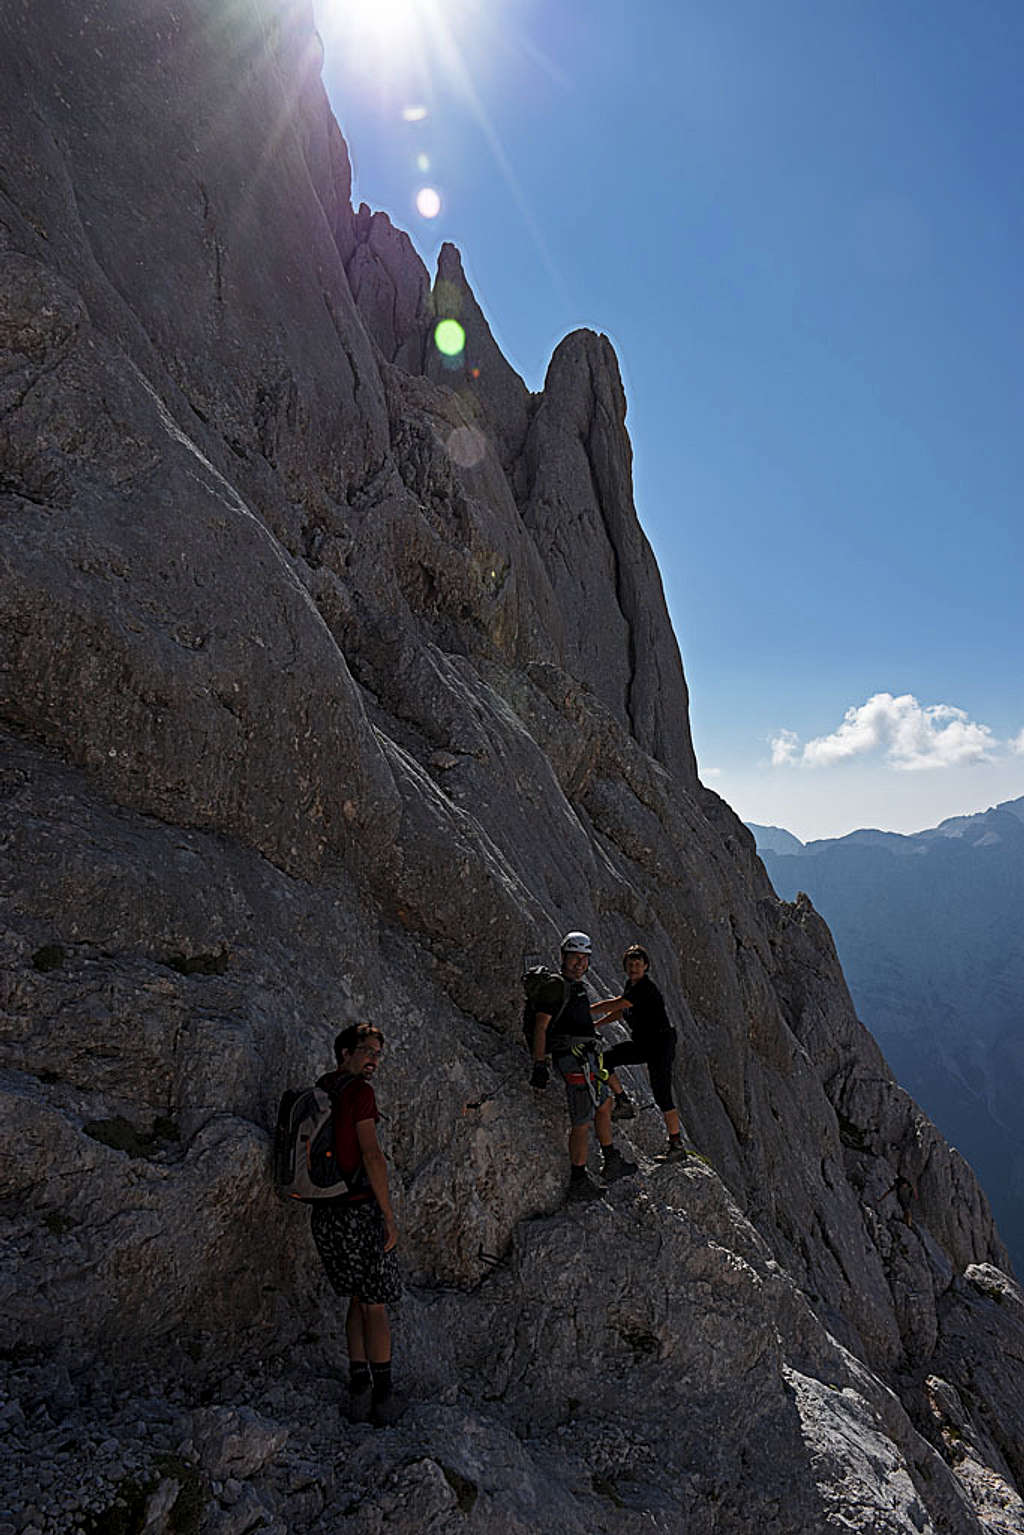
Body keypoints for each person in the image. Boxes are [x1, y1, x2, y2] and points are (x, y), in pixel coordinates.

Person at [309, 1022, 404, 1425]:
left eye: (378, 1054)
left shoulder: (325, 1085)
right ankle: (382, 1398)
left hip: (326, 1209)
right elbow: (372, 1155)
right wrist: (387, 1215)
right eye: (366, 1051)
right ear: (344, 1051)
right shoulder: (361, 1094)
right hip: (359, 1209)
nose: (373, 1060)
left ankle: (358, 1385)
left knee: (355, 1299)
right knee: (376, 1304)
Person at [529, 931, 637, 1202]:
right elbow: (540, 1026)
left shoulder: (576, 987)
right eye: (575, 958)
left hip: (586, 1058)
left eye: (584, 959)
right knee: (581, 1121)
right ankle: (578, 1180)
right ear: (563, 958)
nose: (579, 963)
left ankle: (610, 1158)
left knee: (604, 1104)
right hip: (572, 1060)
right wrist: (539, 1064)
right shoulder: (556, 988)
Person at [601, 945, 687, 1162]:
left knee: (662, 1094)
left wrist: (587, 1009)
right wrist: (596, 1023)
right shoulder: (632, 985)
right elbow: (622, 1011)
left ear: (646, 967)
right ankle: (623, 1102)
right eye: (630, 965)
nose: (634, 968)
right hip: (644, 1043)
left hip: (660, 1045)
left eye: (638, 965)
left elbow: (618, 1004)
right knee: (605, 1059)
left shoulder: (645, 988)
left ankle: (676, 1146)